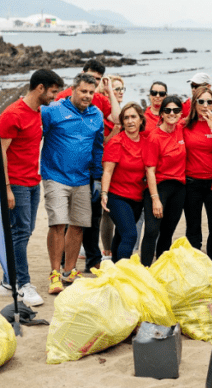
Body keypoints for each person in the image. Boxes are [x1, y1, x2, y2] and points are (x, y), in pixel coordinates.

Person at [0, 68, 63, 306]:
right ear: (40, 88)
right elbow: (0, 152)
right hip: (16, 183)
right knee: (20, 233)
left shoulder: (38, 112)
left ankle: (7, 281)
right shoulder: (12, 114)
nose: (54, 97)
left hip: (33, 181)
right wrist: (6, 188)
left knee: (24, 232)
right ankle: (22, 284)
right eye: (52, 92)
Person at [41, 73, 104, 294]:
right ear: (73, 89)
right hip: (55, 175)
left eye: (91, 92)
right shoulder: (52, 111)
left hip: (82, 179)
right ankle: (55, 273)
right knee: (58, 223)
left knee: (78, 225)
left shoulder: (96, 115)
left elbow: (98, 148)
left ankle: (69, 271)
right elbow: (32, 134)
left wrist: (97, 178)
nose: (87, 96)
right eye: (83, 91)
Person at [54, 60, 113, 273]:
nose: (92, 87)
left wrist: (110, 92)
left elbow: (114, 120)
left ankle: (92, 260)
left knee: (90, 218)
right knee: (64, 220)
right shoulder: (62, 100)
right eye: (91, 79)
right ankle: (61, 263)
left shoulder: (98, 105)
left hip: (90, 169)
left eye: (97, 81)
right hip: (63, 172)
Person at [142, 96, 187, 265]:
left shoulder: (181, 128)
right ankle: (145, 269)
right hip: (158, 187)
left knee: (167, 233)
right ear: (161, 113)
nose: (172, 113)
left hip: (179, 189)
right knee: (152, 231)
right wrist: (155, 199)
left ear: (181, 113)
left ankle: (161, 269)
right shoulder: (154, 137)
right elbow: (150, 171)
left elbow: (196, 108)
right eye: (167, 110)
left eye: (176, 110)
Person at [100, 103, 148, 262]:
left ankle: (114, 266)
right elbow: (107, 171)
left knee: (121, 234)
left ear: (141, 119)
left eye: (133, 116)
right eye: (126, 118)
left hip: (137, 197)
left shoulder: (146, 141)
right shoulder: (116, 142)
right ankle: (122, 274)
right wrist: (104, 194)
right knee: (130, 235)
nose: (130, 121)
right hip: (117, 197)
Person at [183, 87, 212, 262]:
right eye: (201, 101)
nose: (205, 105)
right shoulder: (185, 124)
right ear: (194, 103)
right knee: (193, 228)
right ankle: (195, 263)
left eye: (209, 102)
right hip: (191, 183)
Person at [96, 75, 126, 263]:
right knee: (105, 212)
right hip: (104, 166)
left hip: (123, 168)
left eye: (122, 89)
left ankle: (120, 248)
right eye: (116, 89)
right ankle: (106, 251)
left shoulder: (124, 113)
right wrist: (116, 130)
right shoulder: (103, 114)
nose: (120, 93)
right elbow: (101, 146)